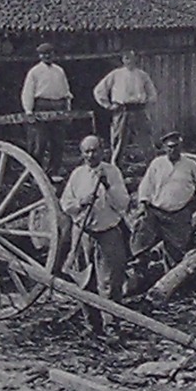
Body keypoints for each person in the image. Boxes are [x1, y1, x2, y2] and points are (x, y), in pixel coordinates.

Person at [59, 134, 130, 336]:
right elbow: (65, 204)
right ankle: (92, 325)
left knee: (110, 283)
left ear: (102, 150)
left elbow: (123, 204)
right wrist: (81, 202)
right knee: (84, 282)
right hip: (82, 234)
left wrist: (108, 187)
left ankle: (111, 327)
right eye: (86, 151)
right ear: (82, 154)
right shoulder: (78, 175)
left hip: (108, 233)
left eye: (94, 150)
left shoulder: (112, 172)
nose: (91, 155)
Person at [131, 130, 196, 267]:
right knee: (141, 234)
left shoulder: (190, 165)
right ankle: (139, 264)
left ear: (180, 147)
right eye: (169, 147)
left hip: (178, 214)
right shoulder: (157, 164)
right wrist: (143, 202)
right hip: (156, 211)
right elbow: (146, 184)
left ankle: (171, 276)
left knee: (177, 251)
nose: (172, 150)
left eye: (175, 146)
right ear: (164, 148)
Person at [92, 48, 159, 166]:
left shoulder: (142, 75)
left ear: (136, 59)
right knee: (119, 141)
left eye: (132, 58)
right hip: (122, 111)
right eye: (127, 58)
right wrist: (108, 105)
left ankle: (153, 167)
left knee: (146, 140)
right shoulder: (116, 74)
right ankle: (116, 168)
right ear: (123, 59)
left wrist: (146, 102)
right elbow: (99, 90)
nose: (130, 61)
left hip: (139, 110)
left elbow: (152, 93)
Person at [21, 42, 72, 177]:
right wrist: (29, 111)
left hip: (58, 106)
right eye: (43, 54)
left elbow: (66, 91)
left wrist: (67, 110)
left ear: (53, 54)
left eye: (49, 53)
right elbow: (28, 92)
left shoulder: (59, 71)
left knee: (58, 142)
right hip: (41, 106)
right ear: (39, 56)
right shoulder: (34, 72)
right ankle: (35, 175)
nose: (47, 56)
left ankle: (53, 172)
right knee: (39, 143)